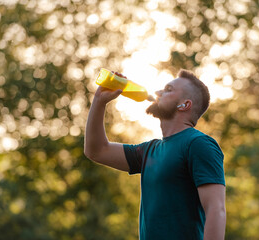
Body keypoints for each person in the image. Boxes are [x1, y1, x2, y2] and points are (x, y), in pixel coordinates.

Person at [84, 69, 226, 240]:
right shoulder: (149, 151)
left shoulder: (198, 144)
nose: (158, 92)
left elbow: (215, 209)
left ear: (184, 105)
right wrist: (99, 101)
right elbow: (96, 151)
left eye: (168, 89)